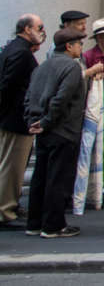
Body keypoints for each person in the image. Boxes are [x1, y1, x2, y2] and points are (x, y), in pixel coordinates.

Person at [24, 28, 99, 238]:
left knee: (41, 176)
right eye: (79, 44)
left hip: (43, 129)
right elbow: (61, 99)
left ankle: (34, 222)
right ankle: (53, 225)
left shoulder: (42, 67)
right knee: (58, 179)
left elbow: (29, 97)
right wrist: (47, 121)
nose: (81, 48)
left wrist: (32, 121)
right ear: (69, 46)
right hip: (63, 130)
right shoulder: (72, 68)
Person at [0, 14, 45, 225]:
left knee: (12, 166)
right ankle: (5, 210)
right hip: (16, 119)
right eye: (39, 27)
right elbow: (8, 86)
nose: (41, 31)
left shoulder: (15, 49)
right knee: (12, 168)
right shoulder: (21, 53)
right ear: (27, 29)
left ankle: (10, 206)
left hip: (13, 117)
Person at [71, 21, 104, 216]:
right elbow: (72, 83)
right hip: (85, 112)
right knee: (84, 153)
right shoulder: (88, 58)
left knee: (95, 154)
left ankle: (95, 190)